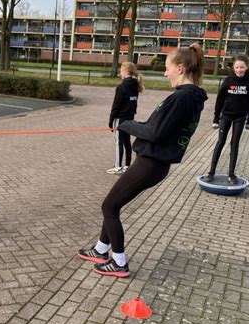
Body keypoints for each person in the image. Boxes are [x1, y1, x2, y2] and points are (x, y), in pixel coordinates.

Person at [78, 43, 207, 277]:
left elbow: (155, 132)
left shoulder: (182, 98)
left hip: (151, 164)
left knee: (110, 206)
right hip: (152, 163)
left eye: (167, 68)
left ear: (180, 68)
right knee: (113, 205)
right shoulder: (187, 97)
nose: (165, 73)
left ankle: (119, 262)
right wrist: (132, 125)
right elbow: (155, 126)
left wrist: (126, 124)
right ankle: (100, 249)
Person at [203, 55, 249, 185]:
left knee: (234, 144)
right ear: (233, 67)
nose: (239, 70)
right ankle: (211, 172)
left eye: (242, 67)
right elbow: (219, 100)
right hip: (226, 116)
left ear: (247, 67)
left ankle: (231, 174)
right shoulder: (227, 80)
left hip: (240, 117)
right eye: (237, 67)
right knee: (220, 142)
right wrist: (216, 118)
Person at [106, 62, 144, 175]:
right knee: (127, 141)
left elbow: (116, 106)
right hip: (130, 118)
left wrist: (111, 120)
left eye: (121, 71)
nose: (120, 73)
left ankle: (118, 167)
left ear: (126, 71)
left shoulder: (121, 87)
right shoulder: (135, 86)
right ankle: (127, 166)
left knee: (119, 142)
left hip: (120, 119)